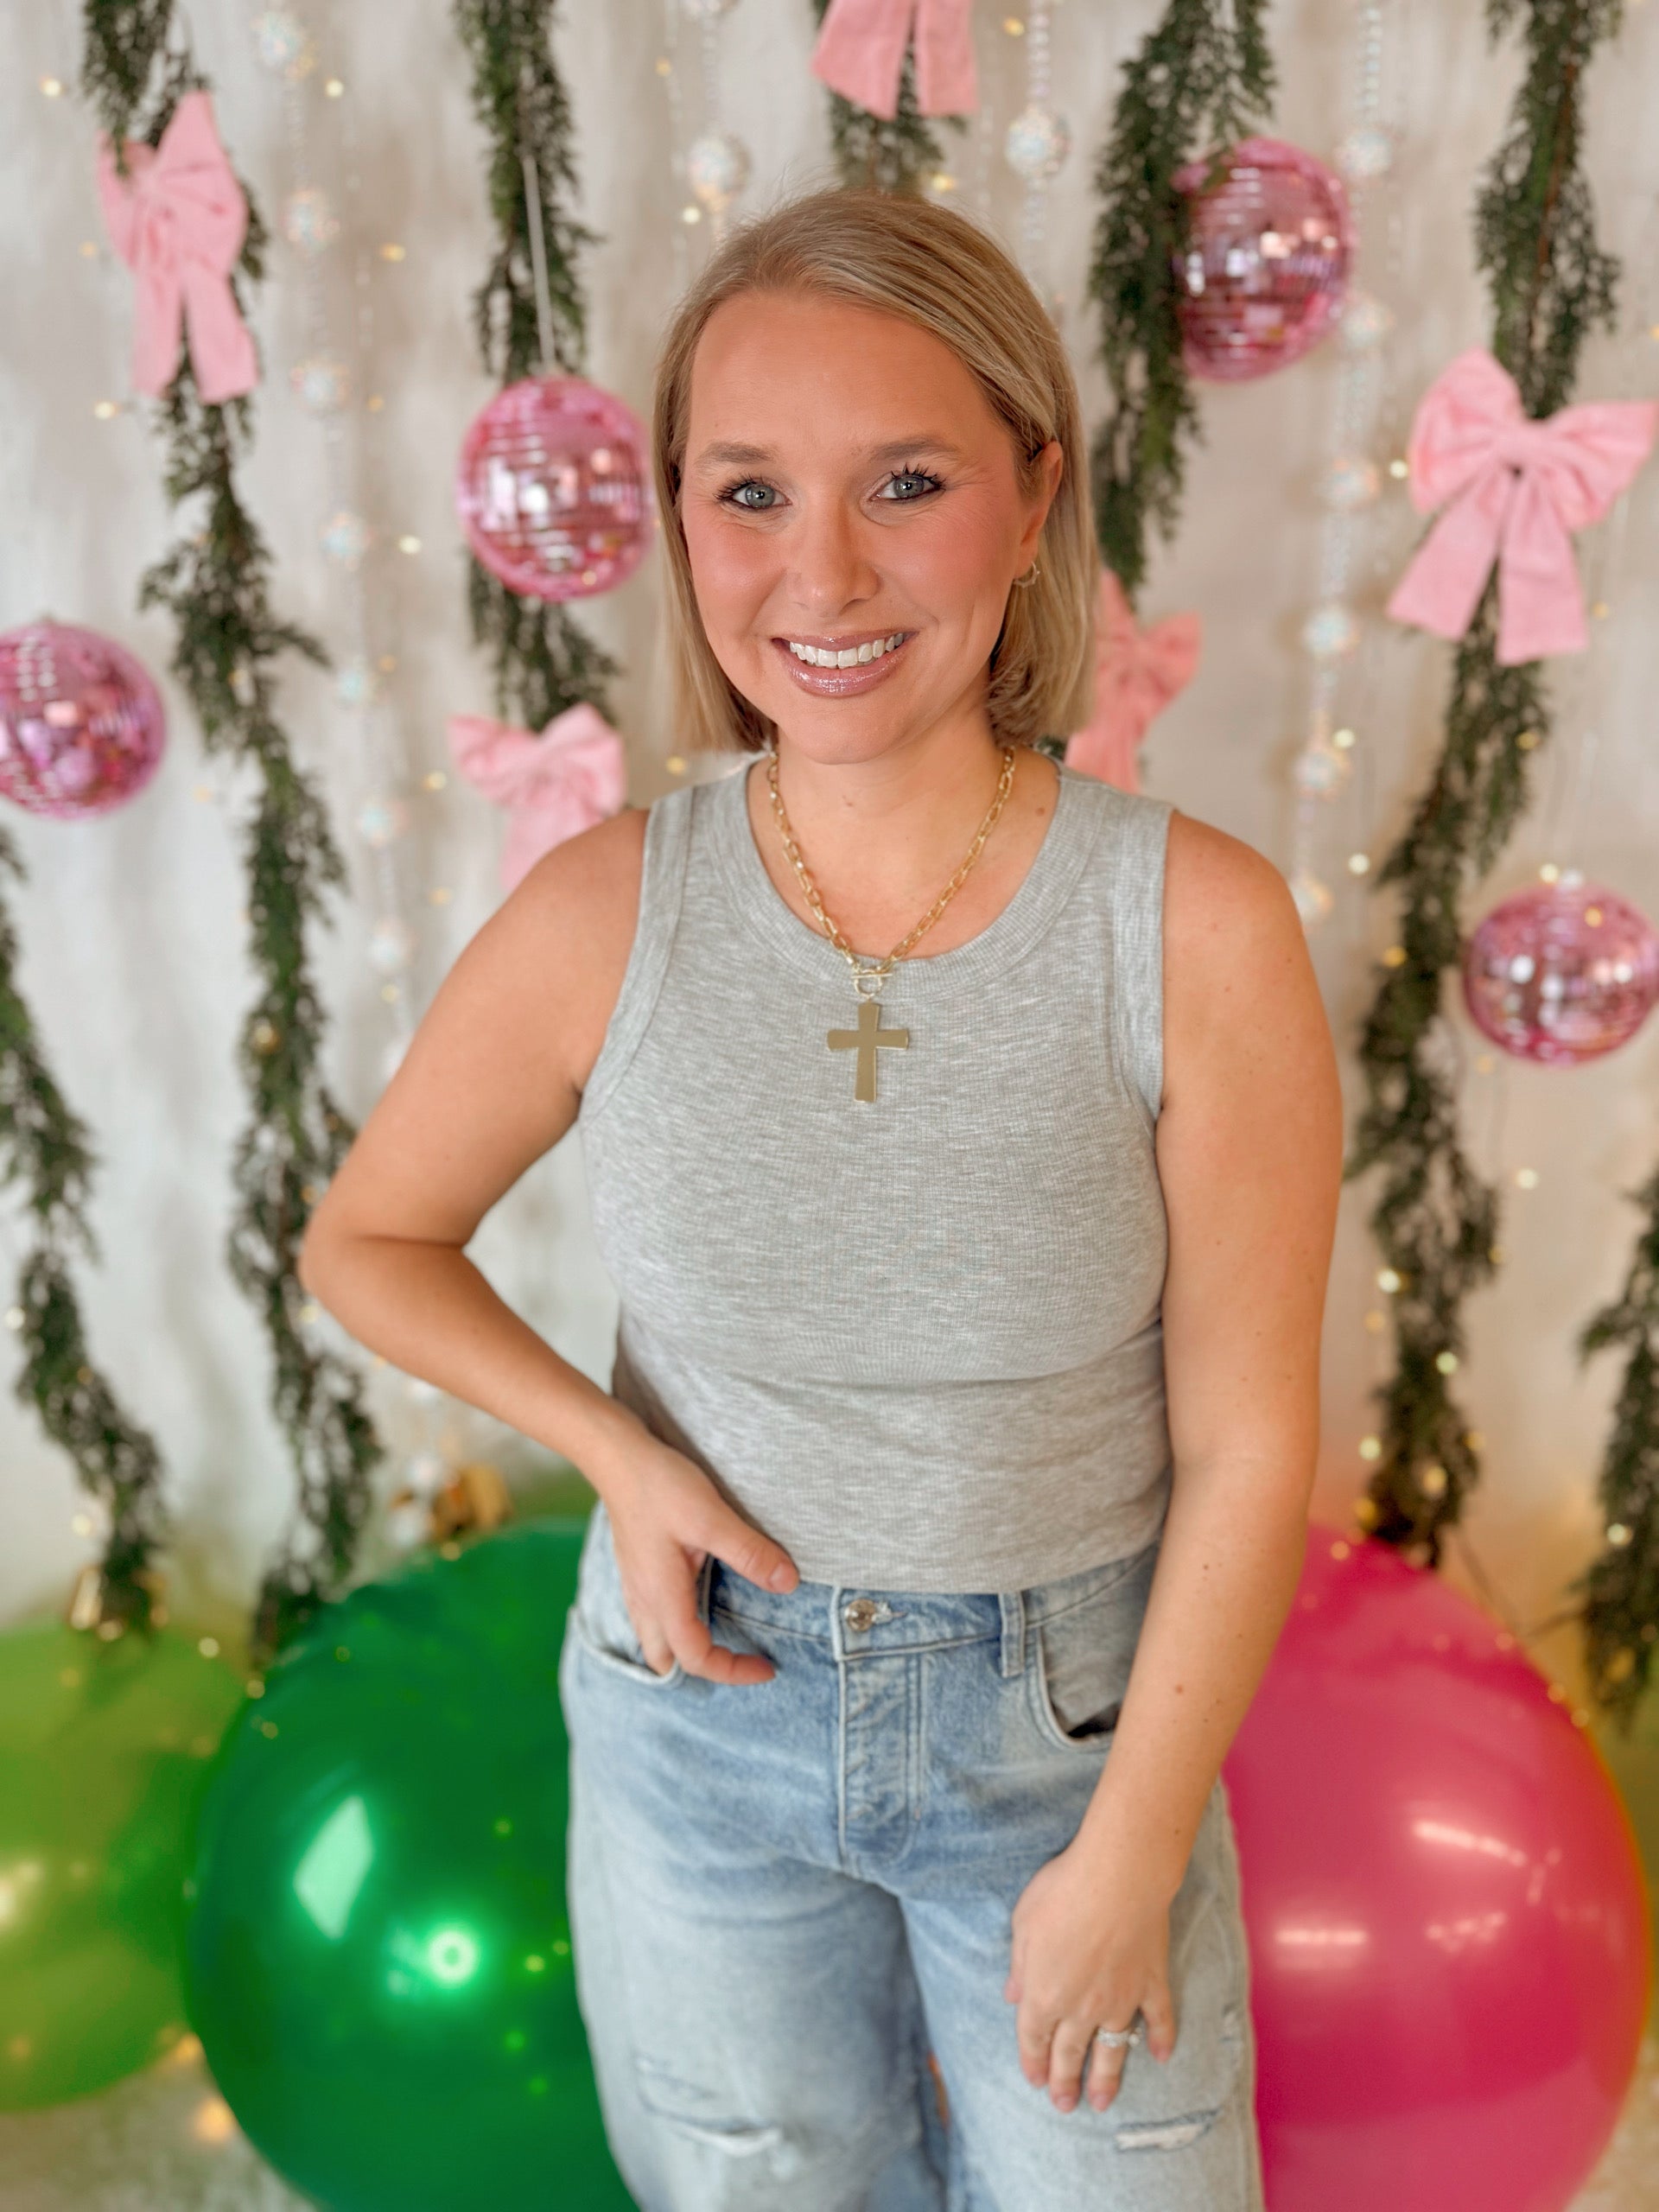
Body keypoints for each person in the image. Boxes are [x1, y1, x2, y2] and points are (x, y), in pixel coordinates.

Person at [298, 184, 1342, 2212]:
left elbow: (1245, 1439)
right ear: (682, 519)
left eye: (908, 483)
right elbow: (369, 1238)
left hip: (1070, 1731)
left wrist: (1133, 1847)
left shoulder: (1192, 926)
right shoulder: (608, 907)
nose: (824, 571)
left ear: (1033, 499)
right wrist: (619, 1453)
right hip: (702, 1714)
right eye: (750, 492)